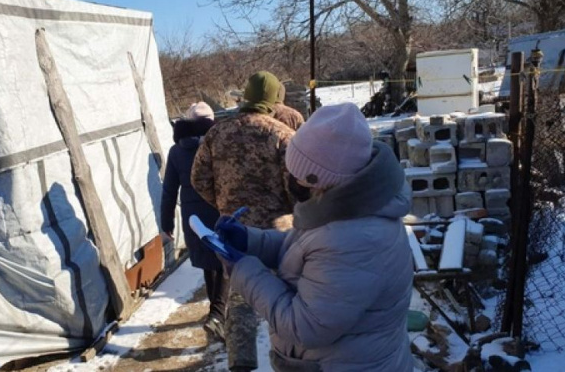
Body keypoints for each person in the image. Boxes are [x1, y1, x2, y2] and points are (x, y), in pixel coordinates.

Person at [214, 103, 414, 372]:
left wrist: (243, 269)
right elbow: (303, 248)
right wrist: (249, 240)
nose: (294, 181)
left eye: (300, 175)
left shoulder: (355, 239)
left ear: (322, 178)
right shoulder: (345, 207)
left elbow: (304, 326)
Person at [192, 71, 295, 371]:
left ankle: (241, 364)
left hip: (233, 232)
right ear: (274, 99)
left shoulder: (216, 134)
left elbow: (198, 178)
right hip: (278, 235)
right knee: (284, 303)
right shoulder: (283, 136)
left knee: (239, 300)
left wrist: (224, 204)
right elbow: (298, 188)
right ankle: (286, 361)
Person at [160, 102, 227, 339]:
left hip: (194, 217)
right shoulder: (218, 144)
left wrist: (166, 223)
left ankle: (217, 312)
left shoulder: (177, 151)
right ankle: (218, 315)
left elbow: (169, 190)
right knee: (224, 264)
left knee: (211, 266)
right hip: (219, 210)